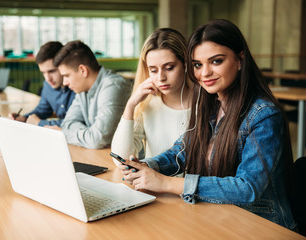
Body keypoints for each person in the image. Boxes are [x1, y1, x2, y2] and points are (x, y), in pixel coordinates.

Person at [119, 19, 296, 230]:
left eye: (216, 61)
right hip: (220, 216)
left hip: (261, 226)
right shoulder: (210, 105)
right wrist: (147, 167)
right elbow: (182, 152)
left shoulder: (264, 116)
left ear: (240, 60)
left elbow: (247, 188)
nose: (204, 73)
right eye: (197, 65)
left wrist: (166, 183)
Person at [111, 28, 193, 165]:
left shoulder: (205, 102)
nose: (161, 77)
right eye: (153, 70)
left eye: (169, 67)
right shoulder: (147, 104)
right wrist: (131, 105)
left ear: (185, 64)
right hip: (153, 185)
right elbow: (120, 160)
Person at [49, 40, 132, 149]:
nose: (64, 83)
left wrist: (63, 133)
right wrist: (88, 134)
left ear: (83, 70)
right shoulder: (82, 89)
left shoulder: (113, 86)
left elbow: (97, 139)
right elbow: (68, 123)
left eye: (67, 75)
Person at [9, 41, 75, 126]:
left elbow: (76, 124)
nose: (48, 78)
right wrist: (24, 118)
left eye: (52, 71)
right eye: (43, 73)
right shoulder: (48, 85)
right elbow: (42, 110)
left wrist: (40, 123)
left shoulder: (78, 87)